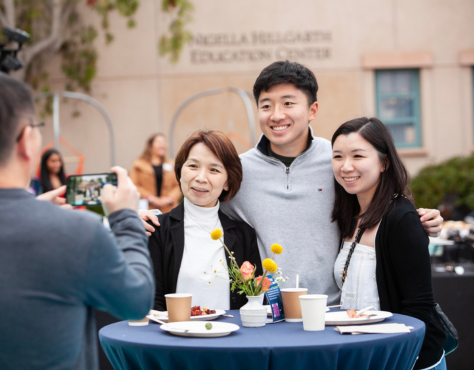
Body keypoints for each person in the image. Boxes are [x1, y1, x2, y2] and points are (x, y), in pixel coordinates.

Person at [142, 61, 443, 306]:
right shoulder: (238, 170)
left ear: (312, 110)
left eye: (288, 103)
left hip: (335, 310)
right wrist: (150, 220)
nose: (277, 115)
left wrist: (420, 220)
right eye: (266, 105)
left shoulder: (338, 161)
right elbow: (200, 209)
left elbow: (378, 203)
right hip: (266, 315)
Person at [0, 70, 154, 370]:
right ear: (26, 140)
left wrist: (28, 209)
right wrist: (125, 217)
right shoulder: (77, 232)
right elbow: (136, 302)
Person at [331, 117, 446, 370]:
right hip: (364, 354)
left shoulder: (400, 218)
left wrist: (400, 359)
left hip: (402, 358)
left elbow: (419, 306)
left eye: (358, 156)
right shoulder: (348, 217)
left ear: (384, 162)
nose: (346, 166)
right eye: (338, 157)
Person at [148, 130, 262, 311]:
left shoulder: (243, 235)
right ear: (180, 171)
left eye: (214, 170)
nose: (200, 178)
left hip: (230, 336)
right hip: (176, 336)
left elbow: (254, 300)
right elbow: (152, 302)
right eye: (193, 166)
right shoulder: (157, 229)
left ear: (227, 182)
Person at [130, 133, 181, 213]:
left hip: (169, 209)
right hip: (147, 208)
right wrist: (150, 198)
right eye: (159, 142)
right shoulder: (138, 164)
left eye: (164, 142)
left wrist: (169, 198)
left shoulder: (172, 164)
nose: (163, 144)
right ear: (150, 146)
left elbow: (179, 185)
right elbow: (133, 185)